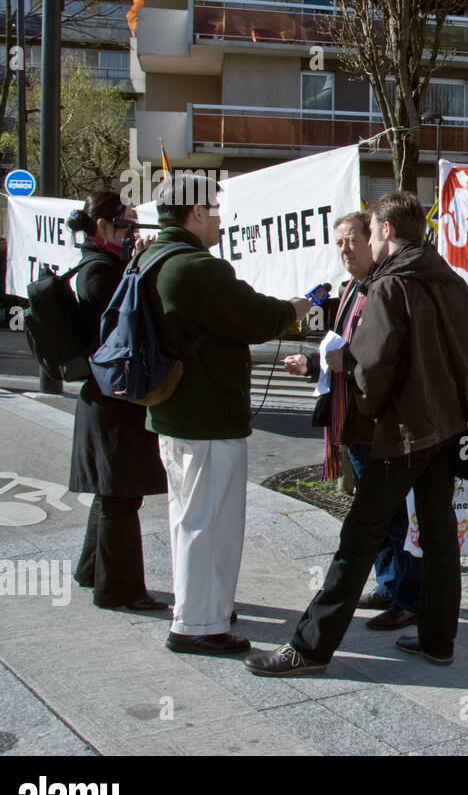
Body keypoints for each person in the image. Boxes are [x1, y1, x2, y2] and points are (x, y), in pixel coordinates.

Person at [246, 191, 468, 676]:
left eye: (371, 231)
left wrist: (342, 367)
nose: (369, 240)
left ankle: (309, 648)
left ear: (387, 232)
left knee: (358, 539)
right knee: (439, 537)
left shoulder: (390, 287)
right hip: (447, 428)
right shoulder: (454, 284)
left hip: (403, 433)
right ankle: (438, 641)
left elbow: (371, 372)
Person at [144, 173, 310, 655]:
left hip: (176, 414)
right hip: (207, 417)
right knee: (210, 523)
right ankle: (197, 625)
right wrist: (294, 307)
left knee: (188, 518)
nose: (221, 217)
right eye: (215, 208)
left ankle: (199, 608)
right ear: (195, 212)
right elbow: (256, 317)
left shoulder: (152, 257)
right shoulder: (197, 267)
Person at [282, 210, 423, 631]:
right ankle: (388, 582)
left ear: (374, 240)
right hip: (354, 420)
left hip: (378, 423)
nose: (344, 249)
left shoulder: (383, 289)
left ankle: (408, 597)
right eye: (338, 242)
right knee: (372, 510)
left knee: (390, 514)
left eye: (351, 241)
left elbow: (378, 356)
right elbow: (340, 348)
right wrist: (312, 363)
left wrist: (342, 363)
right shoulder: (350, 290)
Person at [67, 193, 170, 610]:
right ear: (106, 226)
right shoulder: (100, 271)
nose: (134, 232)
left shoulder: (103, 265)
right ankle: (119, 590)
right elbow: (123, 323)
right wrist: (137, 268)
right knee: (120, 496)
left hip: (107, 397)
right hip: (111, 399)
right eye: (128, 224)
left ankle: (92, 569)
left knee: (113, 493)